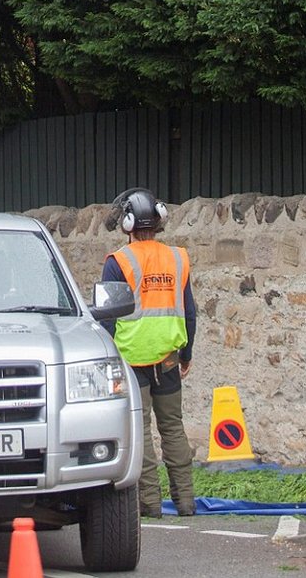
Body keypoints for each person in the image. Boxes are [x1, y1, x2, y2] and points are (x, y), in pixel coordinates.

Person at [100, 187, 197, 519]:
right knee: (172, 426)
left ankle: (150, 506)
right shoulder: (177, 257)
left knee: (140, 431)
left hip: (131, 359)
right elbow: (190, 311)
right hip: (169, 356)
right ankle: (186, 502)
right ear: (159, 219)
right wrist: (186, 354)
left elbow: (108, 317)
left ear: (127, 223)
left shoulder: (118, 262)